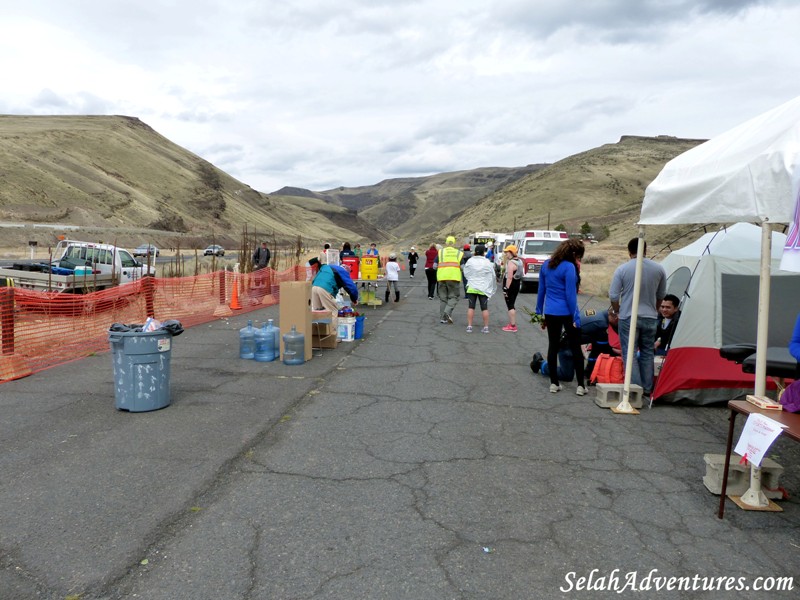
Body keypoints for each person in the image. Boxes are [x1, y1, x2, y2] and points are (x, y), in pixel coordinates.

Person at [609, 238, 667, 398]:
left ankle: (635, 388)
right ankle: (648, 388)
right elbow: (661, 294)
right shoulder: (659, 269)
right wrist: (654, 309)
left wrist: (617, 310)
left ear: (629, 251)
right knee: (648, 351)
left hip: (628, 316)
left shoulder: (622, 269)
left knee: (630, 353)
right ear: (645, 250)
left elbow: (613, 295)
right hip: (650, 316)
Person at [535, 238, 587, 395]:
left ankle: (554, 383)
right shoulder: (569, 267)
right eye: (578, 256)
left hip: (550, 311)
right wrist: (576, 317)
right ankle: (580, 386)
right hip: (566, 312)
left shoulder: (546, 265)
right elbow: (571, 295)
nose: (578, 260)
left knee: (553, 346)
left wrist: (539, 311)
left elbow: (541, 290)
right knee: (575, 347)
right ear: (573, 254)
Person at [531, 308, 620, 381]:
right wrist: (617, 352)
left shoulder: (599, 314)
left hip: (570, 340)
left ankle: (584, 370)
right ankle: (540, 363)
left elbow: (596, 347)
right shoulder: (602, 325)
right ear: (616, 318)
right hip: (566, 344)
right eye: (620, 321)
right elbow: (600, 350)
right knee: (567, 375)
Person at [462, 244, 496, 333]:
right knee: (484, 308)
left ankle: (469, 326)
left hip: (472, 286)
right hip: (483, 287)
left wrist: (471, 279)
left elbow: (465, 272)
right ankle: (486, 327)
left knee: (471, 307)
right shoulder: (487, 262)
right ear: (483, 252)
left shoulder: (470, 261)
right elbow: (492, 274)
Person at [437, 236, 463, 324]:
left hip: (441, 277)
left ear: (446, 243)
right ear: (454, 243)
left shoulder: (440, 252)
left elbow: (434, 265)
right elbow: (463, 267)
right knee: (454, 297)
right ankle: (447, 313)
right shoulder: (458, 253)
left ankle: (443, 318)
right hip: (453, 278)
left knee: (443, 298)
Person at [501, 245, 523, 332]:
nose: (506, 254)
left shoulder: (511, 263)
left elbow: (509, 277)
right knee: (512, 303)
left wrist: (506, 288)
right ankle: (511, 323)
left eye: (507, 252)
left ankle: (513, 326)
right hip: (516, 284)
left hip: (511, 285)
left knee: (510, 305)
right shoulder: (519, 261)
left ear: (511, 252)